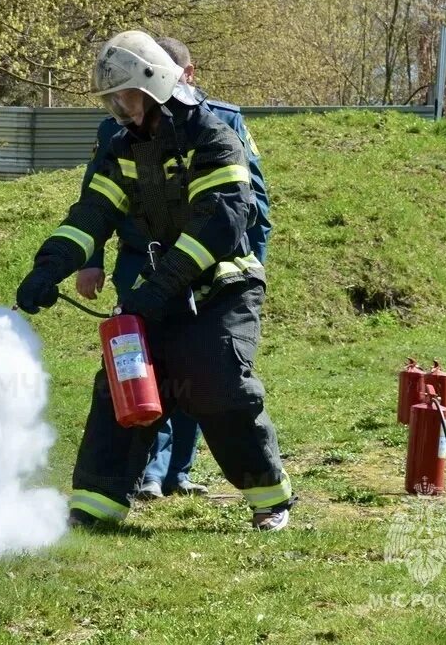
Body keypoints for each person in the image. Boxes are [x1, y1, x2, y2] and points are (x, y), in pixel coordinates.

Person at [15, 29, 293, 531]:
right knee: (122, 383)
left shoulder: (211, 135)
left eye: (126, 95)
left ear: (155, 84)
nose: (120, 107)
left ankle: (269, 498)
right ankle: (98, 505)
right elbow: (92, 213)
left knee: (216, 381)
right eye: (113, 98)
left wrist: (158, 291)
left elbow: (222, 223)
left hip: (222, 286)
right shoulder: (122, 147)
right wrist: (49, 266)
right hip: (157, 289)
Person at [74, 37, 271, 499]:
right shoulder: (117, 133)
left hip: (207, 272)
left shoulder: (220, 124)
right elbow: (96, 202)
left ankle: (179, 471)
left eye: (127, 95)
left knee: (206, 377)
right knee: (133, 377)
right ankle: (133, 482)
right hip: (140, 268)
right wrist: (74, 260)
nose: (121, 106)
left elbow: (247, 205)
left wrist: (251, 266)